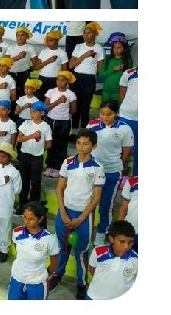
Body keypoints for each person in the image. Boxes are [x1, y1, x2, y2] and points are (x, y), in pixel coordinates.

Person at [49, 127, 104, 299]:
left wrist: (81, 218)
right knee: (62, 246)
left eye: (86, 144)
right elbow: (59, 188)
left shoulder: (97, 167)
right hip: (65, 211)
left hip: (84, 215)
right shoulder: (67, 163)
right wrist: (63, 213)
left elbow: (96, 198)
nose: (81, 147)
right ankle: (58, 274)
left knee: (81, 252)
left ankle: (81, 283)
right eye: (79, 143)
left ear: (93, 146)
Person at [87, 100, 133, 236]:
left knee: (106, 206)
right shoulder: (92, 125)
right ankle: (87, 230)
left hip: (112, 171)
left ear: (116, 113)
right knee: (87, 203)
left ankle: (102, 232)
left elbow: (127, 150)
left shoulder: (124, 128)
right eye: (102, 113)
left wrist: (119, 164)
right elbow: (86, 145)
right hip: (93, 170)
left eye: (109, 114)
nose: (105, 117)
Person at [8, 201, 60, 300]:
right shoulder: (17, 232)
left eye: (31, 219)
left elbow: (55, 263)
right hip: (17, 279)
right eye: (25, 217)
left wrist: (44, 274)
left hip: (37, 283)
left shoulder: (49, 239)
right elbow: (18, 251)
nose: (26, 222)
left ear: (40, 219)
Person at [86, 220, 137, 299]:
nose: (126, 246)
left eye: (130, 242)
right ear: (111, 239)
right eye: (122, 241)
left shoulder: (136, 259)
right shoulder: (98, 252)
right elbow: (92, 268)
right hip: (93, 296)